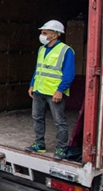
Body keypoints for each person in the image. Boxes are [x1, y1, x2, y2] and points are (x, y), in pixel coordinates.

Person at [26, 20, 76, 160]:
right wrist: (32, 84)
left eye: (45, 33)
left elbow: (69, 73)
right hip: (39, 90)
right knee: (37, 118)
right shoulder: (42, 49)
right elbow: (38, 69)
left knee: (59, 121)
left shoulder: (66, 51)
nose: (42, 35)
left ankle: (61, 148)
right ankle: (39, 144)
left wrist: (60, 90)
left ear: (54, 35)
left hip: (54, 92)